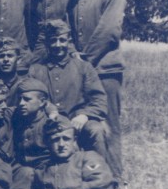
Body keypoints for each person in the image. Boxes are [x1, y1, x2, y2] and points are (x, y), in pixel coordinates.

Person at [67, 0, 127, 179]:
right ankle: (92, 179)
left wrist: (84, 62)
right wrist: (74, 57)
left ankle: (116, 181)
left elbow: (108, 31)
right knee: (86, 127)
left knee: (109, 126)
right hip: (82, 72)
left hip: (105, 71)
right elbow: (69, 33)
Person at [27, 19, 112, 168]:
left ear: (69, 41)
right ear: (46, 43)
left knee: (96, 130)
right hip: (48, 122)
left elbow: (99, 99)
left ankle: (100, 174)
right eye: (53, 40)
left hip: (77, 121)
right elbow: (32, 100)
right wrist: (48, 111)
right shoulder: (35, 70)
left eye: (62, 40)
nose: (57, 45)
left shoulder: (84, 67)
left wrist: (84, 115)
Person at [11, 77, 54, 189]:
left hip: (45, 170)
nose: (21, 103)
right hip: (23, 171)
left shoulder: (51, 123)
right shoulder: (15, 117)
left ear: (42, 102)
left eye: (27, 99)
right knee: (24, 172)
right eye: (19, 99)